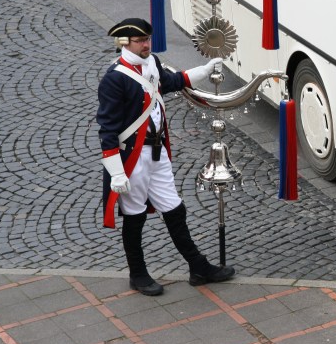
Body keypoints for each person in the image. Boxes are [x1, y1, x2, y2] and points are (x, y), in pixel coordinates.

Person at [97, 18, 235, 296]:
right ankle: (137, 274)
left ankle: (198, 267)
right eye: (141, 41)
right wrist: (117, 172)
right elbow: (107, 130)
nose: (147, 44)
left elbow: (171, 82)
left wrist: (204, 71)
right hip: (132, 158)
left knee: (175, 209)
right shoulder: (114, 79)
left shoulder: (152, 63)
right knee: (134, 218)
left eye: (148, 38)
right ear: (125, 43)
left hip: (157, 153)